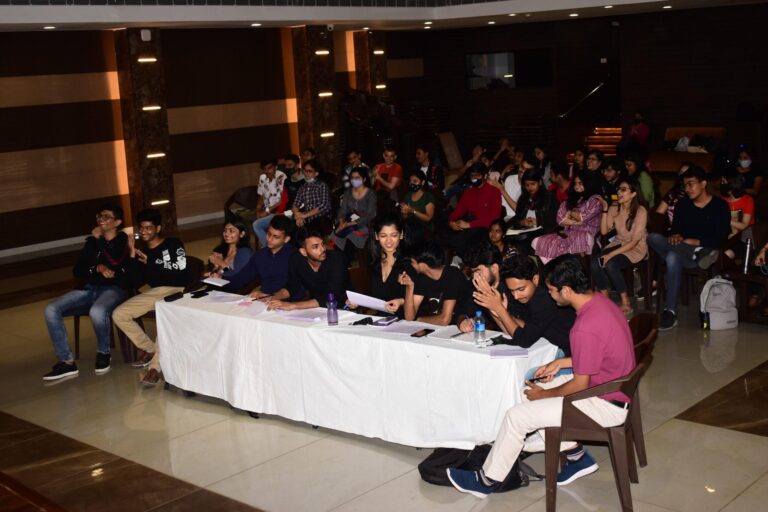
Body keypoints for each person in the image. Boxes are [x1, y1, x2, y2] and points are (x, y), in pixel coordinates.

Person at [447, 255, 636, 498]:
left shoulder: (584, 326)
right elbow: (601, 353)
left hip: (604, 402)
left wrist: (546, 395)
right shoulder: (600, 302)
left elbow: (580, 384)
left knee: (517, 416)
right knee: (528, 391)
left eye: (551, 290)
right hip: (610, 386)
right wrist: (562, 362)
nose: (550, 295)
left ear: (566, 290)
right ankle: (576, 456)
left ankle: (487, 480)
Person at [43, 203, 134, 380]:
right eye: (99, 216)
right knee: (51, 309)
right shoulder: (92, 242)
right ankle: (67, 362)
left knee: (97, 311)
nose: (101, 219)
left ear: (117, 222)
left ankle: (103, 352)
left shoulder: (123, 241)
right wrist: (96, 268)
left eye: (106, 216)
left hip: (113, 289)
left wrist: (99, 241)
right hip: (89, 289)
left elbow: (115, 263)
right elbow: (78, 270)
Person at [647, 166, 731, 331]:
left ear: (703, 183)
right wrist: (676, 236)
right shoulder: (683, 204)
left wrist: (695, 241)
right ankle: (698, 253)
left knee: (672, 256)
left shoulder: (720, 205)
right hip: (690, 251)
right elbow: (676, 229)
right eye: (685, 185)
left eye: (691, 184)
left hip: (706, 248)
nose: (687, 189)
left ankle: (670, 311)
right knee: (652, 238)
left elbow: (720, 237)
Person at [112, 209, 188, 387]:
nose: (144, 231)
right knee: (119, 314)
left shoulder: (173, 243)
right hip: (154, 292)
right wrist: (132, 257)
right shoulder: (142, 253)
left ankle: (155, 368)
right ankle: (150, 349)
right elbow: (133, 282)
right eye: (141, 228)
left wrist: (152, 261)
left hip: (177, 290)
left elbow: (181, 269)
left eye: (148, 228)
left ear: (158, 228)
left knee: (164, 315)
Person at [469, 254, 575, 359]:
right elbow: (514, 332)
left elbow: (524, 341)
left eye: (521, 289)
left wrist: (500, 310)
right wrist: (496, 309)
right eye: (512, 291)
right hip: (547, 347)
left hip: (568, 353)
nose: (516, 296)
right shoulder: (526, 296)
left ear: (535, 279)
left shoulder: (546, 298)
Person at [592, 177, 649, 315]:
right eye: (618, 189)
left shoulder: (641, 211)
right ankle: (605, 299)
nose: (619, 192)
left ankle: (625, 301)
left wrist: (610, 255)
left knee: (611, 264)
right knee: (595, 263)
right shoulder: (615, 207)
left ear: (633, 193)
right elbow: (604, 231)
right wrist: (605, 210)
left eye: (623, 190)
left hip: (636, 247)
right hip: (619, 243)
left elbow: (634, 242)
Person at [264, 228, 348, 311]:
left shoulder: (337, 259)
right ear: (303, 252)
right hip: (316, 308)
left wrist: (294, 305)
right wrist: (272, 297)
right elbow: (292, 287)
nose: (323, 249)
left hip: (343, 307)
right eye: (315, 247)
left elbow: (333, 295)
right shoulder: (296, 260)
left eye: (322, 244)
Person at [532, 172, 602, 264]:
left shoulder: (595, 200)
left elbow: (583, 217)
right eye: (575, 184)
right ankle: (554, 266)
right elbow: (560, 219)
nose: (577, 186)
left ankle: (562, 264)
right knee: (537, 241)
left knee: (579, 242)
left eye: (580, 183)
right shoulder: (571, 199)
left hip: (586, 236)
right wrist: (576, 222)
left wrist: (571, 214)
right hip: (568, 235)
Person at [221, 215, 298, 298]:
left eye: (276, 237)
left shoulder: (295, 256)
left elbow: (297, 287)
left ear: (286, 239)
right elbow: (240, 279)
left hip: (288, 301)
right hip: (263, 299)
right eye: (268, 234)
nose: (269, 239)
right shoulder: (260, 255)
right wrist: (220, 279)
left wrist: (271, 296)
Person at [399, 241, 473, 326]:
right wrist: (409, 287)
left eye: (412, 262)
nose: (411, 265)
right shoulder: (421, 277)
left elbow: (445, 320)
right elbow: (409, 318)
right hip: (435, 327)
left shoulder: (452, 275)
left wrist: (419, 320)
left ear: (422, 265)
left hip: (461, 325)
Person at [440, 162, 502, 259]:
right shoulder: (468, 192)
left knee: (463, 240)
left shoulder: (494, 192)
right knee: (444, 233)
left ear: (485, 176)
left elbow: (494, 219)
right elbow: (458, 211)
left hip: (485, 227)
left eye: (477, 175)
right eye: (472, 175)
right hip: (470, 224)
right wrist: (451, 222)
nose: (474, 178)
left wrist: (469, 225)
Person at [368, 214, 412, 317]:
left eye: (394, 235)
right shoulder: (374, 261)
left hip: (405, 319)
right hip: (382, 319)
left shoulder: (410, 262)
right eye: (383, 236)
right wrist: (357, 301)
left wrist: (401, 301)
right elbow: (376, 294)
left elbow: (422, 297)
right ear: (376, 236)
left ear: (401, 235)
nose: (388, 241)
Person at [330, 166, 377, 259]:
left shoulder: (370, 194)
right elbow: (343, 210)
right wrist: (342, 221)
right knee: (338, 235)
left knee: (349, 236)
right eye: (352, 178)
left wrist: (350, 224)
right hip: (348, 220)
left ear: (364, 179)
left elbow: (371, 214)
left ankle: (345, 261)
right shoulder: (348, 193)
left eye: (357, 178)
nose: (354, 180)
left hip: (364, 224)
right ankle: (340, 260)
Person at [508, 168, 557, 254]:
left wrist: (539, 222)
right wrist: (522, 222)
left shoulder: (549, 198)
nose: (530, 187)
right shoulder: (523, 199)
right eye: (527, 185)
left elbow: (555, 221)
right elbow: (516, 219)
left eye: (533, 184)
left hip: (543, 235)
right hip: (525, 234)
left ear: (540, 182)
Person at [251, 159, 288, 248]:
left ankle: (269, 247)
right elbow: (261, 196)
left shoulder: (281, 177)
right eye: (265, 169)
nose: (267, 171)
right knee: (257, 221)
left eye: (269, 168)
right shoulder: (262, 177)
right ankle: (269, 246)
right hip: (267, 209)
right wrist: (258, 210)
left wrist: (267, 211)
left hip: (279, 210)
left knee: (257, 225)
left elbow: (282, 200)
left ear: (276, 167)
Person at [720, 174, 755, 262]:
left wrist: (725, 219)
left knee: (727, 253)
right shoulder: (722, 200)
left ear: (733, 183)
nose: (721, 184)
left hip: (744, 237)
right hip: (726, 236)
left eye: (724, 182)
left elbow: (744, 226)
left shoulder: (747, 200)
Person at [292, 159, 332, 232]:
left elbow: (324, 206)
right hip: (307, 218)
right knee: (291, 225)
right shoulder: (302, 187)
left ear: (316, 173)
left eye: (310, 171)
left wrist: (304, 215)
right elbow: (295, 204)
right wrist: (297, 215)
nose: (306, 173)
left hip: (321, 218)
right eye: (305, 171)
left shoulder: (321, 185)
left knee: (312, 226)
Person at [400, 171, 436, 243]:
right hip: (410, 224)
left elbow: (428, 218)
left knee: (411, 234)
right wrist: (404, 212)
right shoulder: (408, 195)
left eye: (415, 181)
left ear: (422, 182)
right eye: (410, 181)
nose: (412, 183)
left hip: (424, 226)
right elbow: (405, 217)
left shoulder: (427, 196)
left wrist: (412, 211)